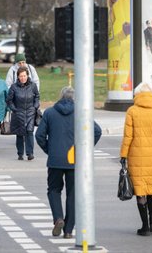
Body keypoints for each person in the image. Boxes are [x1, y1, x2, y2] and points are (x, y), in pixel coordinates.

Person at [35, 86, 102, 239]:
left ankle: (58, 218)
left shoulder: (50, 112)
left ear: (60, 96)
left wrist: (49, 150)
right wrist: (84, 150)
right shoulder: (81, 112)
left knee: (54, 190)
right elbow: (97, 131)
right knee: (73, 194)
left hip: (55, 160)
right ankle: (68, 230)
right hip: (75, 159)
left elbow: (39, 136)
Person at [120, 82, 152, 236]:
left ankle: (145, 226)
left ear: (137, 95)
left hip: (136, 157)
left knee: (141, 191)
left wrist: (123, 155)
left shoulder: (132, 111)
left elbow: (128, 136)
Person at [6, 66, 40, 160]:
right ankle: (20, 153)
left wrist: (35, 106)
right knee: (20, 134)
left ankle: (30, 153)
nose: (23, 78)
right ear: (18, 77)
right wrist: (14, 109)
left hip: (30, 112)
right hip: (18, 113)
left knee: (29, 132)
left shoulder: (33, 86)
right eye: (21, 76)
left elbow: (37, 96)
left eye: (24, 76)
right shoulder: (14, 87)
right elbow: (9, 100)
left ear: (27, 75)